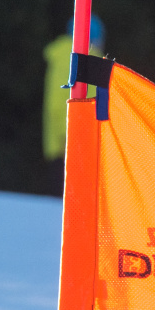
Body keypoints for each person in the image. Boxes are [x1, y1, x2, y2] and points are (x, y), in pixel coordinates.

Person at [44, 15, 106, 196]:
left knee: (60, 193)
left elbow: (56, 98)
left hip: (61, 135)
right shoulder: (87, 59)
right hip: (76, 136)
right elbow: (91, 100)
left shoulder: (62, 56)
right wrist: (68, 132)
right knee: (74, 195)